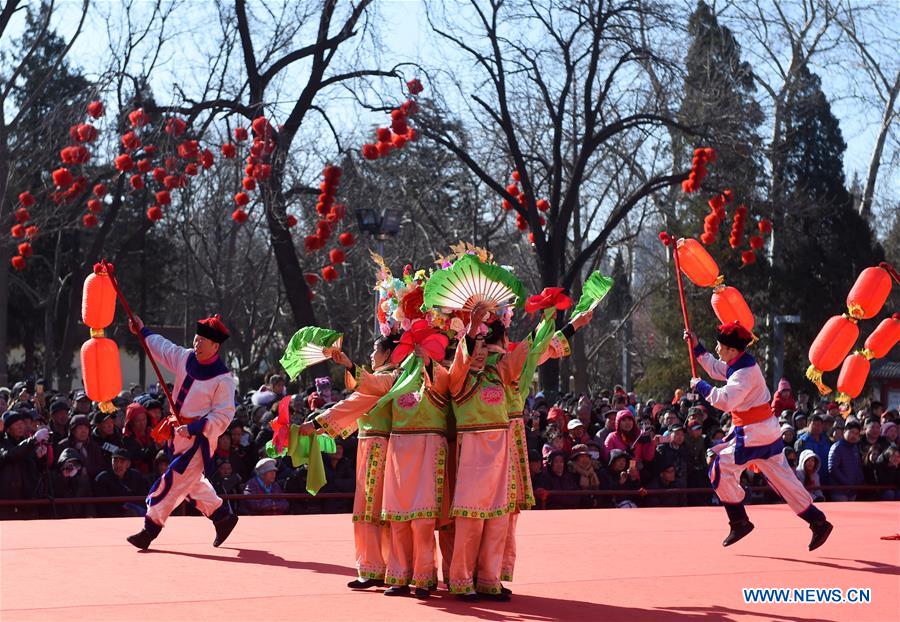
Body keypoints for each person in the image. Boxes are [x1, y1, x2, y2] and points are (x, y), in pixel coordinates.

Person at [685, 322, 832, 551]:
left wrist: (701, 386)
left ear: (732, 350)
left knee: (718, 465)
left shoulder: (743, 373)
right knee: (783, 479)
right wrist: (697, 347)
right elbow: (716, 368)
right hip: (764, 430)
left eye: (719, 346)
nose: (716, 349)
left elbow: (725, 401)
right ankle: (817, 521)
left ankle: (738, 520)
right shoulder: (740, 363)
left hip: (753, 433)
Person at [125, 314, 238, 550]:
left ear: (215, 346)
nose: (196, 344)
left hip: (200, 440)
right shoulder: (186, 357)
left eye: (202, 342)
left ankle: (150, 528)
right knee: (189, 483)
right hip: (178, 433)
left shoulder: (223, 379)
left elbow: (225, 415)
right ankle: (222, 517)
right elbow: (164, 348)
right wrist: (143, 331)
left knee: (174, 481)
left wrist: (197, 427)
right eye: (196, 340)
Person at [0, 409, 49, 519]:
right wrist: (33, 440)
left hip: (28, 500)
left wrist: (39, 457)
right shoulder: (2, 443)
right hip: (7, 502)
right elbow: (10, 455)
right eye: (16, 424)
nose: (20, 427)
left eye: (22, 423)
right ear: (8, 428)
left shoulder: (28, 444)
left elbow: (38, 471)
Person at [94, 448, 150, 517]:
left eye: (122, 461)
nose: (118, 465)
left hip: (133, 515)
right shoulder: (102, 479)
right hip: (110, 518)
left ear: (128, 464)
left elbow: (142, 500)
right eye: (115, 461)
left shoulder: (137, 477)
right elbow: (102, 505)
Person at [55, 414, 105, 479]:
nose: (83, 431)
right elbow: (57, 470)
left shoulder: (94, 446)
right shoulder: (63, 446)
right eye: (80, 428)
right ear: (73, 430)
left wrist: (87, 470)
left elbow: (100, 467)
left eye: (86, 428)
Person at [49, 448, 95, 518]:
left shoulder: (83, 481)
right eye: (69, 464)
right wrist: (63, 477)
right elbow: (55, 492)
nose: (72, 467)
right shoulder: (52, 478)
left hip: (80, 519)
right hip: (60, 519)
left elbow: (88, 502)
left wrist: (89, 516)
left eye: (75, 464)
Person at [828, 421, 864, 502]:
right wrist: (847, 483)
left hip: (852, 490)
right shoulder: (837, 447)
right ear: (844, 432)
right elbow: (833, 468)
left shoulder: (855, 448)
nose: (854, 436)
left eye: (856, 433)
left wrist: (859, 480)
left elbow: (858, 466)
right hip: (839, 490)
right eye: (851, 432)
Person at [122, 402, 157, 476]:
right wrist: (156, 446)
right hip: (137, 475)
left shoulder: (152, 432)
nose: (142, 423)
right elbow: (138, 456)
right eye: (138, 421)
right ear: (131, 422)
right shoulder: (127, 438)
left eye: (144, 419)